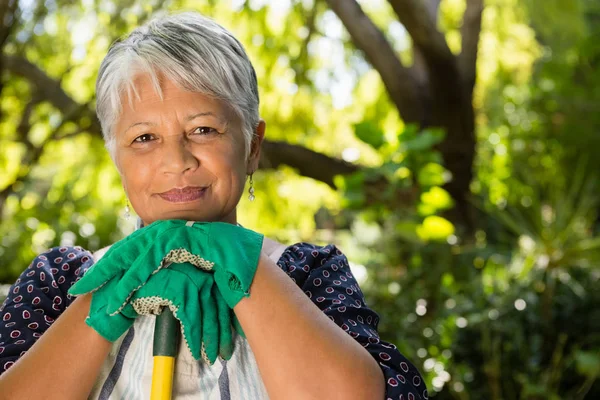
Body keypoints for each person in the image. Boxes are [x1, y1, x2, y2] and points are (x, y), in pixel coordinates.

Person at [0, 12, 427, 400]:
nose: (177, 161)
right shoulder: (60, 283)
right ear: (117, 159)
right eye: (144, 138)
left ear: (253, 146)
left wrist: (241, 264)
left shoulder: (308, 274)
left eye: (203, 129)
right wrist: (102, 303)